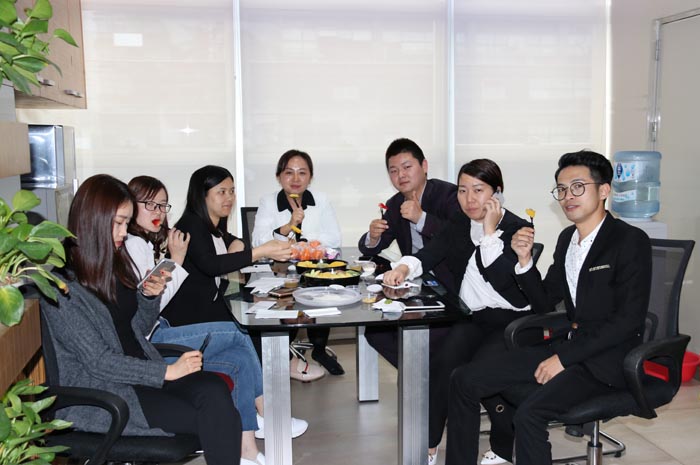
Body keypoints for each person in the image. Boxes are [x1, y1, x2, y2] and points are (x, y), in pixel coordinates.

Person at [445, 150, 652, 465]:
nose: (568, 196)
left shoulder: (629, 240)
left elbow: (627, 321)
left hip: (606, 360)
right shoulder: (568, 238)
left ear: (604, 190)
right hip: (568, 346)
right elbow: (544, 303)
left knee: (529, 414)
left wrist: (564, 359)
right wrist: (525, 262)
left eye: (578, 187)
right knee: (464, 379)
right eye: (562, 189)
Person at [41, 174, 242, 465]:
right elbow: (99, 362)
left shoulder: (113, 263)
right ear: (94, 221)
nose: (124, 232)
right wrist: (166, 372)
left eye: (127, 223)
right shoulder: (62, 288)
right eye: (119, 223)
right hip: (106, 393)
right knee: (215, 418)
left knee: (214, 391)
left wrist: (149, 298)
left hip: (140, 375)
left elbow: (138, 329)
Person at [126, 175, 305, 465]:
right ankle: (269, 414)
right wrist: (176, 260)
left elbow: (226, 243)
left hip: (163, 330)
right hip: (155, 338)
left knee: (239, 359)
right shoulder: (136, 243)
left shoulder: (153, 239)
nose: (158, 212)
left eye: (162, 205)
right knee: (238, 333)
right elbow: (151, 304)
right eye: (150, 205)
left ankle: (247, 450)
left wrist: (234, 244)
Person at [382, 159, 532, 465]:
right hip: (473, 316)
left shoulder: (516, 228)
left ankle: (503, 446)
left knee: (470, 376)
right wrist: (403, 268)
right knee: (443, 365)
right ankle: (429, 444)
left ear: (497, 193)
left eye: (478, 190)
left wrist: (489, 233)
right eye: (463, 191)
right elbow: (431, 253)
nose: (469, 199)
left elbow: (503, 281)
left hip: (509, 320)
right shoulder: (461, 222)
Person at [357, 138, 460, 368]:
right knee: (376, 332)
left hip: (449, 287)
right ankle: (420, 376)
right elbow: (373, 245)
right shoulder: (395, 203)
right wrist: (373, 236)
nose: (400, 175)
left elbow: (457, 236)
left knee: (421, 338)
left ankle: (424, 377)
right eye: (393, 171)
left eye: (407, 167)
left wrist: (421, 218)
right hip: (414, 285)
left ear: (424, 166)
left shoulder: (448, 195)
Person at [252, 149, 344, 378]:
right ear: (279, 176)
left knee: (323, 294)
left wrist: (303, 245)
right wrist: (288, 226)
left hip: (314, 269)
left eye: (302, 173)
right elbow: (259, 241)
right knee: (287, 302)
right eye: (289, 172)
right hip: (279, 271)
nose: (295, 179)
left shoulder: (321, 200)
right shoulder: (268, 202)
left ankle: (319, 351)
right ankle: (285, 356)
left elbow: (334, 238)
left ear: (310, 177)